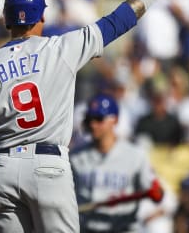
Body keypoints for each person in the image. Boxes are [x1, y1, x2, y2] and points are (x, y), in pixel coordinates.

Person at [0, 0, 183, 232]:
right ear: (42, 17)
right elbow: (124, 17)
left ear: (5, 18)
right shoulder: (63, 47)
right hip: (48, 167)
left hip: (1, 169)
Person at [70, 94, 164, 233]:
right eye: (90, 119)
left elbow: (157, 194)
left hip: (123, 228)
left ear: (115, 120)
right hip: (86, 228)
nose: (93, 124)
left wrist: (157, 191)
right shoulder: (75, 156)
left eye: (99, 119)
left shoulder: (135, 155)